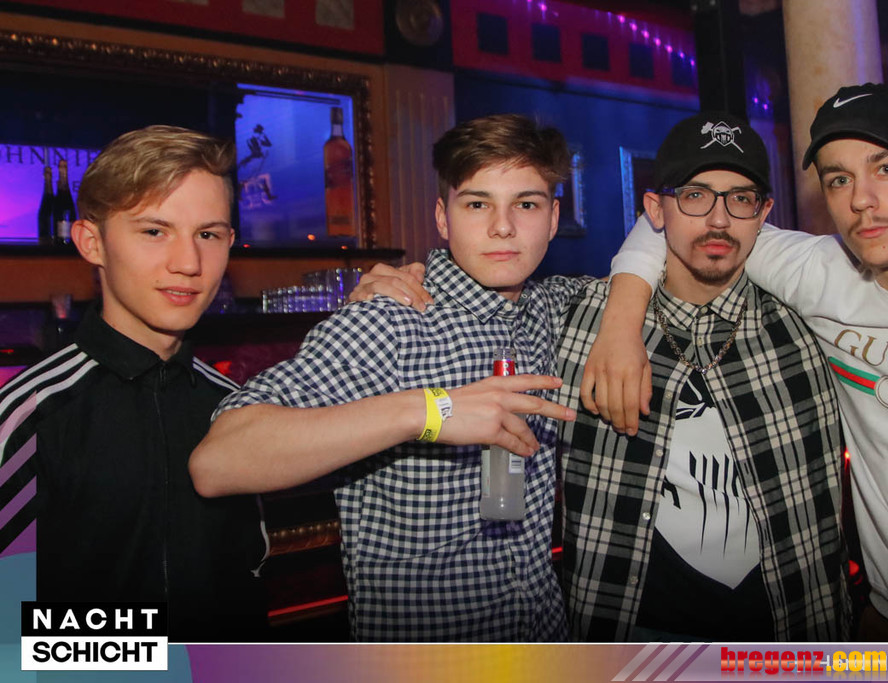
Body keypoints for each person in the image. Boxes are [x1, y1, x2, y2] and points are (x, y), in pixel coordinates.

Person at [189, 114, 654, 642]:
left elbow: (672, 231)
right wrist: (432, 411)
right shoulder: (390, 320)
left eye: (526, 204)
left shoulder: (556, 309)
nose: (502, 227)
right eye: (477, 204)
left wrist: (623, 320)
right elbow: (218, 461)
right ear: (442, 217)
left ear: (553, 218)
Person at [612, 83, 888, 641]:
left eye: (885, 168)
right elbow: (680, 215)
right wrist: (622, 323)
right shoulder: (821, 273)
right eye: (838, 179)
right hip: (885, 622)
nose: (862, 200)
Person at [554, 112, 848, 642]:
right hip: (625, 636)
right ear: (655, 209)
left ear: (764, 214)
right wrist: (403, 280)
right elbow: (483, 304)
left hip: (792, 631)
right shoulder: (578, 320)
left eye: (740, 199)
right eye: (694, 195)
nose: (718, 220)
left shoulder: (812, 325)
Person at [0, 125, 267, 641]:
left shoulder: (235, 411)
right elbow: (10, 636)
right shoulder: (29, 417)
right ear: (92, 242)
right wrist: (170, 660)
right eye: (154, 231)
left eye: (208, 235)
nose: (188, 264)